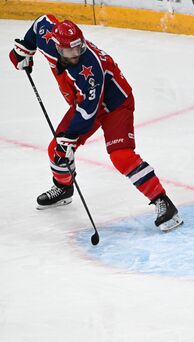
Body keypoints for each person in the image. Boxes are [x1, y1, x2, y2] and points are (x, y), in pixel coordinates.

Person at [9, 15, 182, 231]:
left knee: (121, 155)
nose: (75, 54)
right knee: (56, 149)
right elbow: (40, 23)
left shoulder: (90, 67)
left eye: (78, 48)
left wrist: (69, 139)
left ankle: (163, 202)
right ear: (57, 47)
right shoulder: (48, 37)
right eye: (69, 51)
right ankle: (63, 188)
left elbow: (89, 112)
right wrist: (24, 49)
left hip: (115, 104)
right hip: (84, 103)